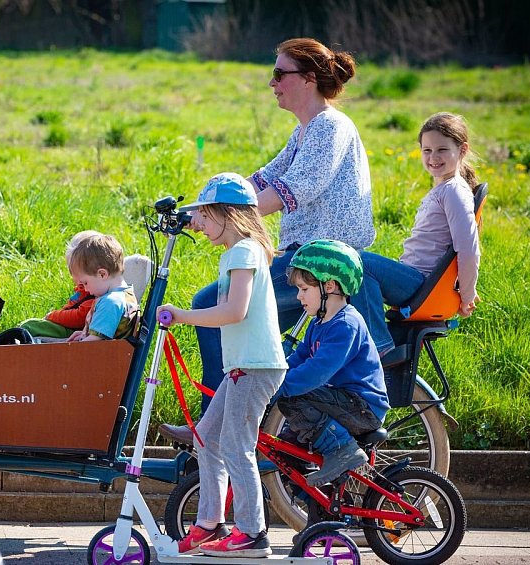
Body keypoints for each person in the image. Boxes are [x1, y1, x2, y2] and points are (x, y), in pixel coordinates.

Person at [161, 37, 375, 443]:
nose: (272, 82)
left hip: (317, 263)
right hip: (304, 256)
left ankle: (216, 426)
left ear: (308, 79)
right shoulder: (306, 131)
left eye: (280, 74)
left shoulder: (329, 127)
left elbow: (291, 189)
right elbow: (257, 182)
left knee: (211, 304)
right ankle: (242, 422)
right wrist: (196, 208)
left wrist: (220, 216)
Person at [156, 173, 287, 557]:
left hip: (256, 366)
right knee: (207, 437)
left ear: (229, 214)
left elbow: (234, 311)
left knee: (235, 444)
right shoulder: (238, 252)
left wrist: (182, 315)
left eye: (205, 215)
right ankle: (210, 523)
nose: (198, 223)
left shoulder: (244, 251)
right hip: (243, 366)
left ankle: (252, 533)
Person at [353, 112, 482, 355]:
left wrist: (467, 296)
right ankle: (361, 340)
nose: (433, 157)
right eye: (427, 150)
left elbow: (468, 249)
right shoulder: (444, 187)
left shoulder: (454, 191)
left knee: (356, 261)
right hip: (415, 279)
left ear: (462, 150)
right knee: (354, 264)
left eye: (442, 149)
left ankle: (378, 347)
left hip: (422, 284)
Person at [274, 239, 389, 486]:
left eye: (304, 289)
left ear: (330, 286)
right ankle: (319, 507)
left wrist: (278, 387)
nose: (298, 296)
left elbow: (317, 372)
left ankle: (343, 451)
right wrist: (270, 375)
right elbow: (298, 360)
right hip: (341, 402)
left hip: (362, 408)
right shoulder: (318, 323)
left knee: (292, 395)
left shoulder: (345, 325)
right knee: (287, 452)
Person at [19, 230, 100, 339]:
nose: (78, 279)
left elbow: (80, 317)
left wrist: (53, 316)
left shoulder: (94, 294)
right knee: (29, 327)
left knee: (30, 326)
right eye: (73, 272)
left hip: (74, 330)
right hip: (68, 327)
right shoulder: (84, 290)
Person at [66, 233, 139, 342]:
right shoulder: (126, 294)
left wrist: (73, 348)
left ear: (102, 274)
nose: (86, 289)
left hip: (102, 357)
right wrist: (84, 333)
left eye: (85, 283)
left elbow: (94, 343)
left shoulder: (110, 302)